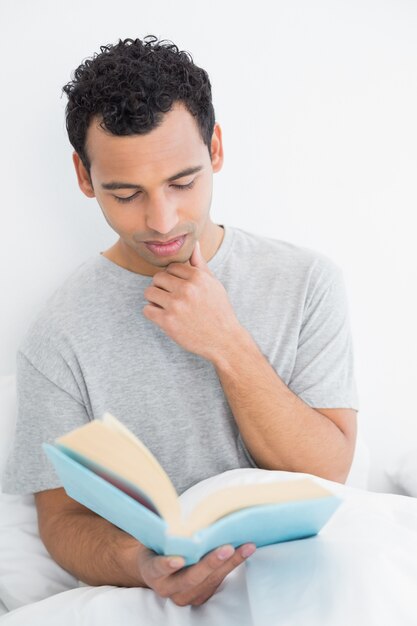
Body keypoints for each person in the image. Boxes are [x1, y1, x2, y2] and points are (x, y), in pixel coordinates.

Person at [3, 35, 359, 607]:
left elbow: (327, 473)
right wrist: (138, 562)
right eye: (126, 194)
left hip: (309, 582)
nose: (162, 220)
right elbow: (62, 519)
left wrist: (226, 343)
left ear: (215, 149)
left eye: (182, 183)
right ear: (84, 177)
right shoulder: (59, 332)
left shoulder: (306, 281)